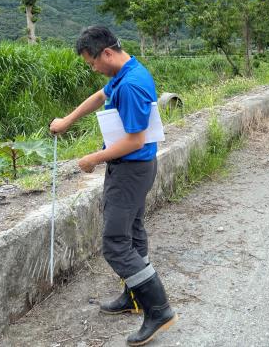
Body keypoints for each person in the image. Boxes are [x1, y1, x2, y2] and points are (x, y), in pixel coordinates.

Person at [50, 26, 176, 346]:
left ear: (107, 53)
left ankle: (158, 309)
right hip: (135, 169)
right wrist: (68, 120)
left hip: (130, 170)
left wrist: (94, 158)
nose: (92, 68)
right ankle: (134, 296)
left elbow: (134, 141)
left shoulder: (132, 84)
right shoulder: (126, 72)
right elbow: (100, 96)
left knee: (115, 242)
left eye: (92, 62)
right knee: (132, 233)